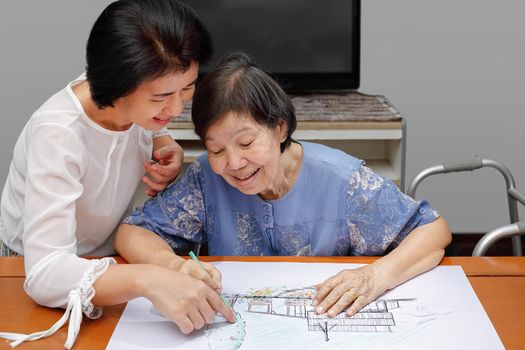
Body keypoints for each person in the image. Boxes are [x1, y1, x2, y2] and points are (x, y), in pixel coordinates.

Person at [115, 52, 452, 320]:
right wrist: (173, 266)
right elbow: (131, 234)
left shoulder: (342, 180)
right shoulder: (206, 177)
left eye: (246, 143)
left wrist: (374, 277)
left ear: (278, 128)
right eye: (216, 149)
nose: (233, 163)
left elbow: (432, 230)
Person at [0, 1, 234, 348]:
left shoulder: (125, 98)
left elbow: (142, 120)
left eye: (188, 87)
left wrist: (162, 138)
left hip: (110, 261)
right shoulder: (58, 134)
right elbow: (45, 273)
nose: (176, 108)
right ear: (119, 84)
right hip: (32, 270)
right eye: (162, 97)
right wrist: (150, 279)